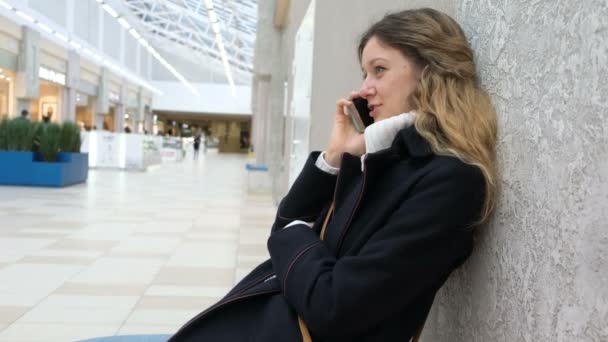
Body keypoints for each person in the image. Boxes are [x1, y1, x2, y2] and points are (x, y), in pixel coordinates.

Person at [83, 8, 498, 342]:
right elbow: (288, 220)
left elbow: (334, 306)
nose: (364, 87)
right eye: (364, 73)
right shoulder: (381, 159)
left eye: (379, 70)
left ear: (430, 71)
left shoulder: (452, 182)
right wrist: (336, 154)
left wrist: (297, 238)